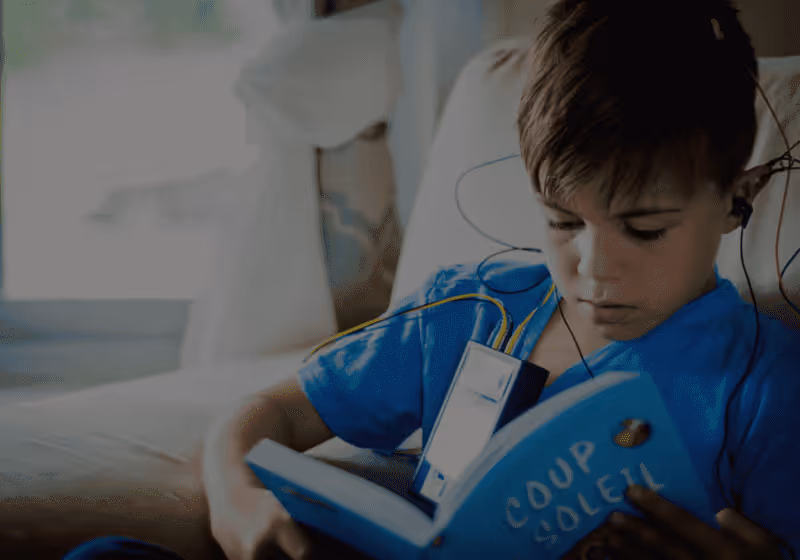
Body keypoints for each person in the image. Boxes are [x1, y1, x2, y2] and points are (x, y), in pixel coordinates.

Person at [63, 0, 800, 558]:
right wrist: (237, 500)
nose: (594, 267)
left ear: (736, 197)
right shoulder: (471, 306)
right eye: (561, 222)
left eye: (644, 229)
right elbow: (267, 415)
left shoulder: (765, 389)